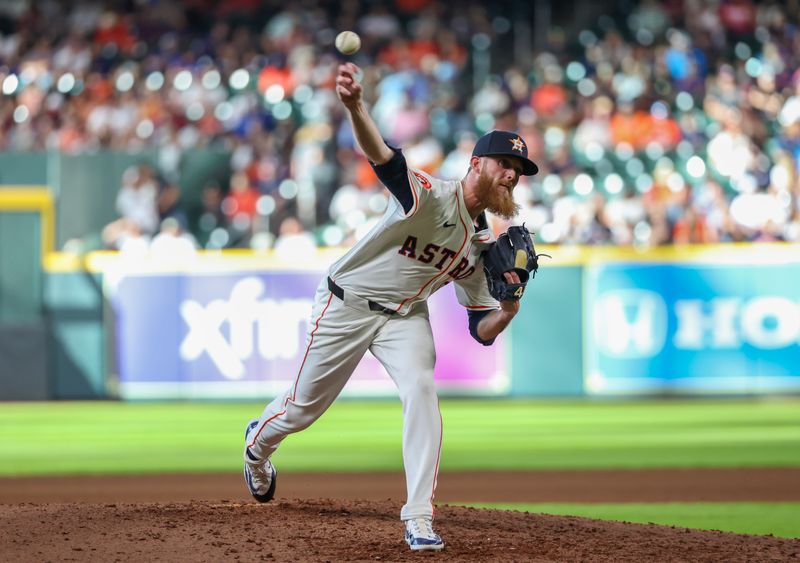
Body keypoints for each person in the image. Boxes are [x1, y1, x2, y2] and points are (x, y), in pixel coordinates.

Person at [243, 62, 539, 552]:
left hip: (404, 317)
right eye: (504, 164)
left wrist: (508, 308)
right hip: (348, 302)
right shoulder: (428, 196)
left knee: (422, 389)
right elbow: (382, 157)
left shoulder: (483, 246)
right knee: (301, 410)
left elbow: (480, 330)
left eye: (519, 171)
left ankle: (419, 515)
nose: (511, 174)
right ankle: (257, 448)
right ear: (477, 164)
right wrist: (356, 105)